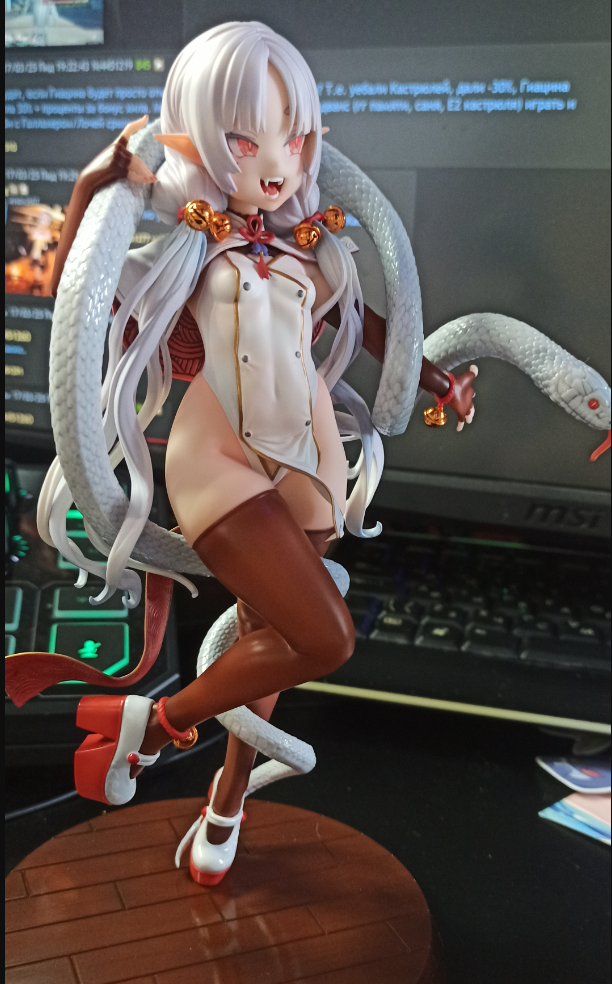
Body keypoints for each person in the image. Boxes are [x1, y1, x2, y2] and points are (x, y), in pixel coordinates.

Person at [8, 22, 475, 884]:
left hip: (313, 464)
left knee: (276, 640)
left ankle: (223, 802)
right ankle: (158, 723)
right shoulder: (188, 245)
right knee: (326, 638)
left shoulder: (312, 250)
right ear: (198, 135)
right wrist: (85, 195)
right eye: (245, 138)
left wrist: (436, 379)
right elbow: (80, 298)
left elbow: (371, 328)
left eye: (293, 138)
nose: (276, 161)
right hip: (218, 455)